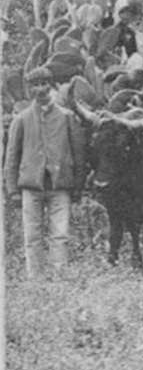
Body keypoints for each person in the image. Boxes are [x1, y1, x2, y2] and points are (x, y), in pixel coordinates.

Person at [5, 66, 88, 278]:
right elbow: (12, 157)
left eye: (44, 84)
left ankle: (58, 279)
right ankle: (36, 280)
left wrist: (78, 186)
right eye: (35, 85)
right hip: (31, 187)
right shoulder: (21, 119)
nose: (40, 89)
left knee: (60, 235)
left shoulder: (67, 117)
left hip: (60, 185)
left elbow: (79, 155)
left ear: (51, 86)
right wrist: (13, 190)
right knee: (32, 236)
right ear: (29, 89)